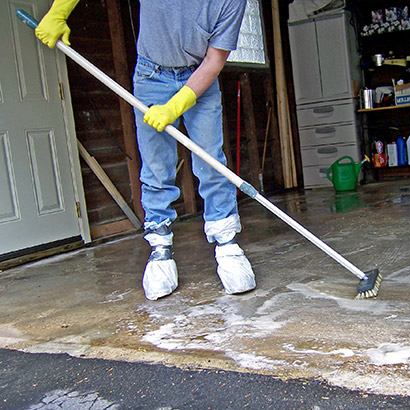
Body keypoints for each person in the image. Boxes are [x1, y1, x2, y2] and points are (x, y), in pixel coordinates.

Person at [36, 0, 256, 300]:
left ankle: (227, 245)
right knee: (156, 166)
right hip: (152, 74)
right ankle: (160, 248)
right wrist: (60, 11)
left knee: (211, 162)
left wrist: (175, 105)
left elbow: (214, 61)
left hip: (199, 76)